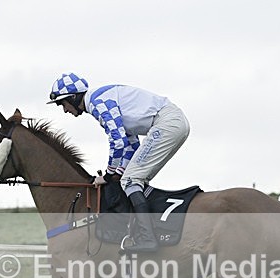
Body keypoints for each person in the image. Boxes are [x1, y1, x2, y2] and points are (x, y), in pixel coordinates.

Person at [47, 72, 190, 252]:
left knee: (131, 180)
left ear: (73, 98)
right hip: (173, 122)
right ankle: (144, 230)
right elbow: (132, 144)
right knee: (132, 178)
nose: (64, 110)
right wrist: (119, 171)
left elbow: (118, 141)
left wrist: (108, 175)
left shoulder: (97, 102)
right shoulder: (101, 100)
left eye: (62, 103)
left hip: (167, 123)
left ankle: (148, 239)